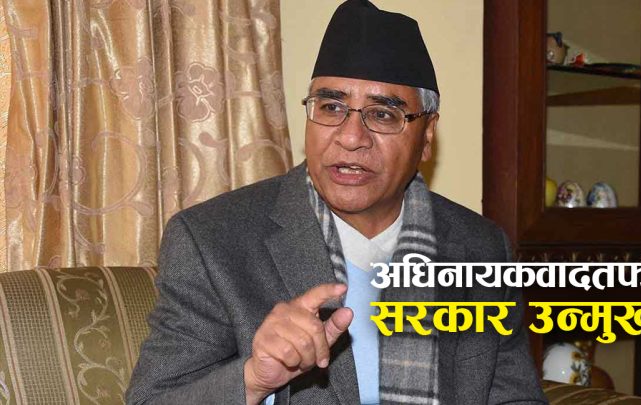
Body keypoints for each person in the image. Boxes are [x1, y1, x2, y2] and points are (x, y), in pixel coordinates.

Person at [126, 1, 546, 404]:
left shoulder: (479, 248)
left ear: (427, 135)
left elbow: (514, 397)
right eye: (331, 107)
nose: (350, 137)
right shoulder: (214, 242)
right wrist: (253, 380)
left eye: (383, 114)